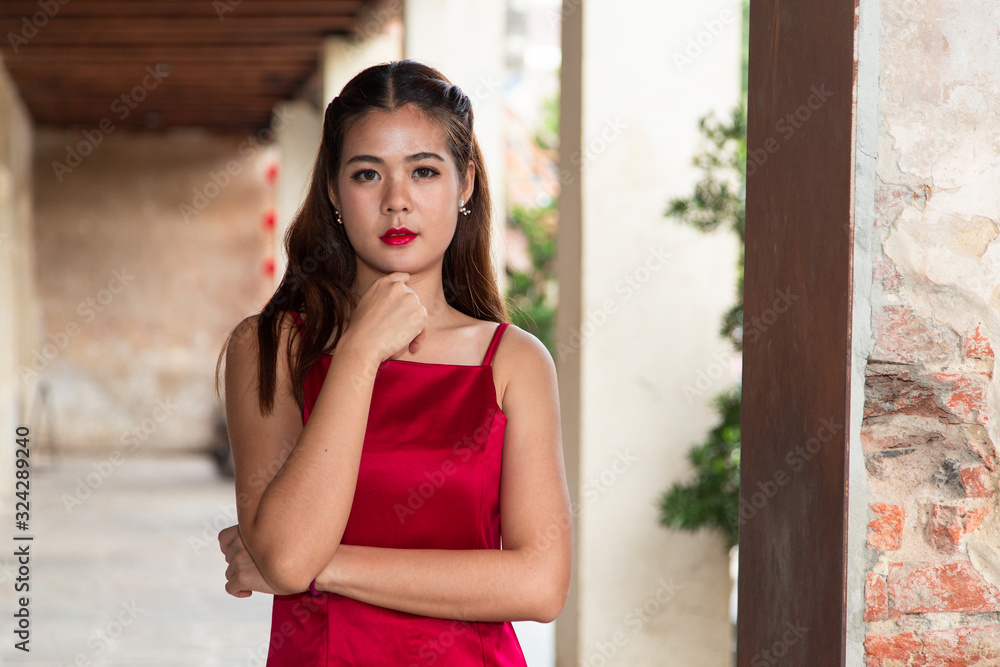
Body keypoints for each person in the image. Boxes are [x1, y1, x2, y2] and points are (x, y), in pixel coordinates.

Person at [213, 59, 572, 665]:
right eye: (367, 174)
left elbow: (539, 585)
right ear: (333, 189)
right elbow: (286, 553)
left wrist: (323, 567)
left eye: (424, 171)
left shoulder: (513, 363)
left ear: (465, 185)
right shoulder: (270, 347)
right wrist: (358, 351)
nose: (396, 201)